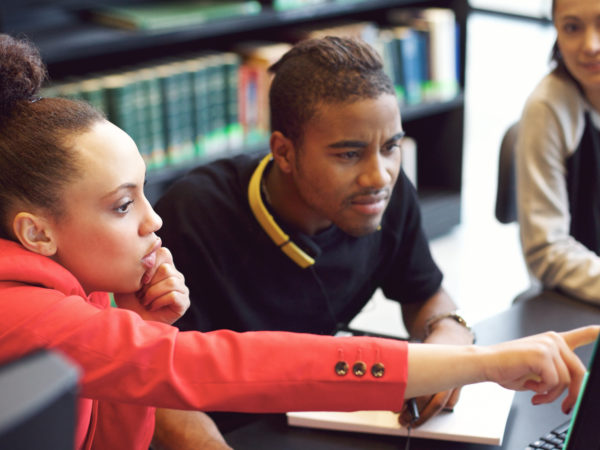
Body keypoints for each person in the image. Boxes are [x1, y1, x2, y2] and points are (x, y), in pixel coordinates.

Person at [0, 33, 596, 450]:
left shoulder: (86, 287)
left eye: (144, 195)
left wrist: (139, 320)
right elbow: (221, 366)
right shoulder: (27, 312)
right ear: (36, 232)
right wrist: (484, 362)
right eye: (124, 205)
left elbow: (115, 426)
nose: (154, 222)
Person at [155, 35, 472, 434]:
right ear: (284, 152)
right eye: (349, 154)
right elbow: (155, 385)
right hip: (229, 429)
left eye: (391, 147)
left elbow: (424, 292)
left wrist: (450, 335)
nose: (380, 176)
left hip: (315, 418)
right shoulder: (193, 215)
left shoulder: (386, 194)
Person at [516, 0, 600, 303]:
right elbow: (546, 250)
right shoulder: (547, 109)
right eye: (573, 27)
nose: (591, 45)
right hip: (579, 302)